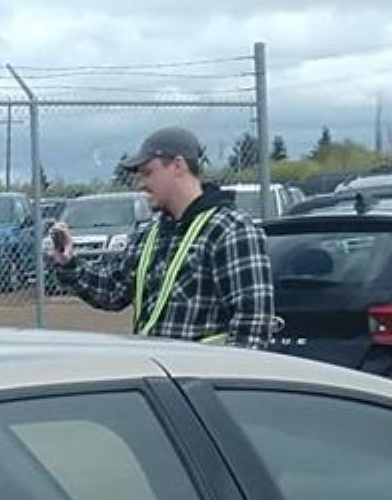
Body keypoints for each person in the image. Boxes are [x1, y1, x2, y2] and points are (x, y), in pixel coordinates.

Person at [44, 125, 274, 348]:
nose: (141, 183)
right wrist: (69, 264)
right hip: (160, 378)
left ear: (178, 166)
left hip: (206, 381)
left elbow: (253, 324)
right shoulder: (150, 234)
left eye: (147, 173)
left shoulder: (230, 230)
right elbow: (113, 291)